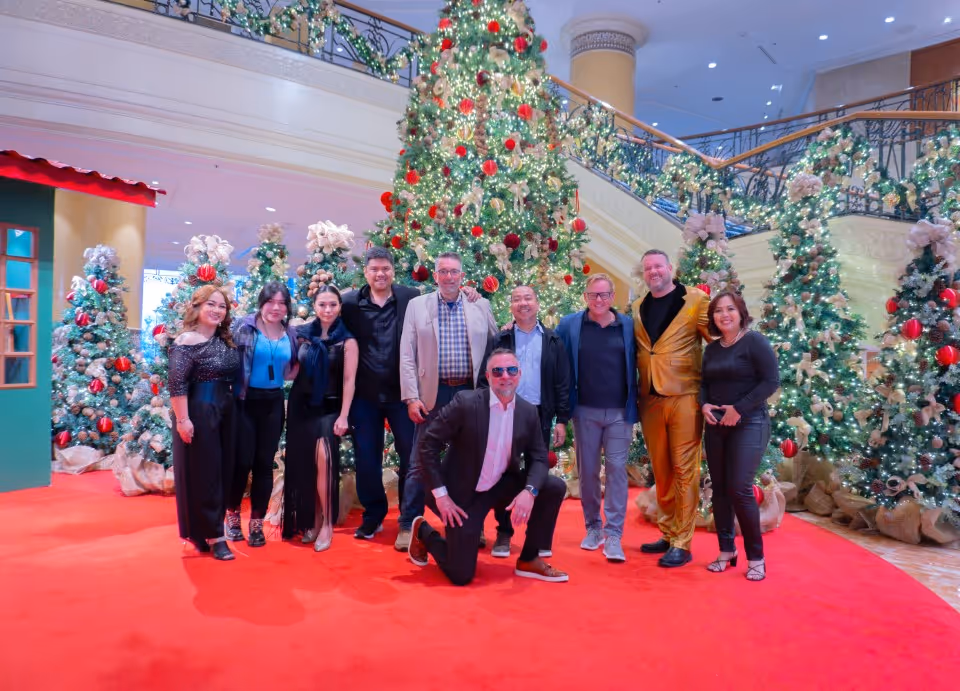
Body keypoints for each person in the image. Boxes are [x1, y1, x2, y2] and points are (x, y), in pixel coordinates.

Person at [407, 349, 569, 585]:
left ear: (519, 374)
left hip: (501, 483)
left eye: (511, 370)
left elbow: (540, 458)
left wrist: (529, 491)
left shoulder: (527, 411)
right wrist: (441, 496)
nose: (505, 376)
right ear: (488, 376)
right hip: (462, 494)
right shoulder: (466, 403)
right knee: (461, 575)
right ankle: (423, 531)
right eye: (498, 371)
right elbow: (427, 444)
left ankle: (529, 559)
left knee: (552, 487)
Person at [398, 252, 497, 548]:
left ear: (462, 274)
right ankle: (409, 524)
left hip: (470, 394)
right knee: (419, 460)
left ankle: (472, 524)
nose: (449, 277)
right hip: (433, 393)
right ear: (436, 275)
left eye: (454, 272)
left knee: (471, 462)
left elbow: (495, 345)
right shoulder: (418, 306)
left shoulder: (480, 304)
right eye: (443, 271)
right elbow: (406, 354)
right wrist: (411, 397)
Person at [478, 285, 571, 559]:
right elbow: (487, 377)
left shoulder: (553, 341)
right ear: (511, 306)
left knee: (537, 475)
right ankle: (504, 533)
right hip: (506, 412)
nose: (523, 303)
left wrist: (562, 420)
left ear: (537, 303)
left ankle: (538, 537)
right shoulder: (502, 338)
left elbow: (562, 383)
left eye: (528, 298)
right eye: (517, 299)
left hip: (540, 416)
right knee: (503, 473)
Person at [632, 249, 711, 568]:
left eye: (658, 266)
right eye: (648, 268)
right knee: (661, 470)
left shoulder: (695, 301)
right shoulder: (637, 306)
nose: (653, 272)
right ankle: (666, 532)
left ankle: (683, 540)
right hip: (649, 399)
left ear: (670, 268)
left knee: (684, 470)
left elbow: (716, 344)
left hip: (685, 397)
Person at [340, 248, 420, 548]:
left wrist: (469, 293)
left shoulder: (411, 297)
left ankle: (409, 519)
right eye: (374, 269)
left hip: (403, 395)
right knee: (366, 459)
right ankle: (373, 514)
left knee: (412, 458)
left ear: (393, 270)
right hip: (365, 397)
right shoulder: (349, 303)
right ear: (366, 272)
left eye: (385, 268)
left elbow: (441, 304)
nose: (380, 274)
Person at [556, 274, 638, 563]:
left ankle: (614, 533)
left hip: (619, 413)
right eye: (593, 295)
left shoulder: (628, 326)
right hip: (585, 411)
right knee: (588, 471)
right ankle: (594, 527)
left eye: (604, 295)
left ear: (613, 297)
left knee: (616, 469)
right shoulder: (570, 324)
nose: (599, 300)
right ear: (585, 297)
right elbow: (551, 349)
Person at [700, 291, 779, 582]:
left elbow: (771, 381)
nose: (724, 315)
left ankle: (756, 557)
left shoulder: (754, 341)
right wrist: (704, 404)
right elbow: (704, 384)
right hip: (716, 424)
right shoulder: (712, 349)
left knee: (739, 487)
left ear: (740, 311)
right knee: (719, 488)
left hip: (750, 422)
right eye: (718, 311)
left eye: (730, 309)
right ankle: (726, 550)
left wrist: (739, 409)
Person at [282, 285, 358, 552]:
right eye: (322, 305)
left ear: (339, 307)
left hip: (330, 408)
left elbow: (349, 381)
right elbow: (291, 372)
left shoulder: (347, 340)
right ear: (314, 306)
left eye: (333, 305)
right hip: (301, 406)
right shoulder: (301, 335)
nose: (327, 310)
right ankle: (310, 519)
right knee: (306, 465)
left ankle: (327, 523)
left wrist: (345, 415)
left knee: (325, 461)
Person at [169, 285, 241, 561]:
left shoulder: (226, 341)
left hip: (226, 410)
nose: (216, 310)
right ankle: (216, 535)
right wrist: (183, 420)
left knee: (223, 472)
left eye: (222, 306)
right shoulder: (186, 340)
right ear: (197, 307)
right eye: (211, 304)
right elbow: (176, 384)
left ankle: (209, 529)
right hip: (199, 410)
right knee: (207, 473)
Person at [226, 282, 299, 547]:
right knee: (242, 462)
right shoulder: (244, 327)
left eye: (282, 303)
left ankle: (256, 522)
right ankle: (232, 516)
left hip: (273, 402)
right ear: (262, 303)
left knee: (264, 464)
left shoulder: (289, 332)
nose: (276, 308)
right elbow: (228, 360)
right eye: (271, 302)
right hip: (245, 401)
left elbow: (290, 371)